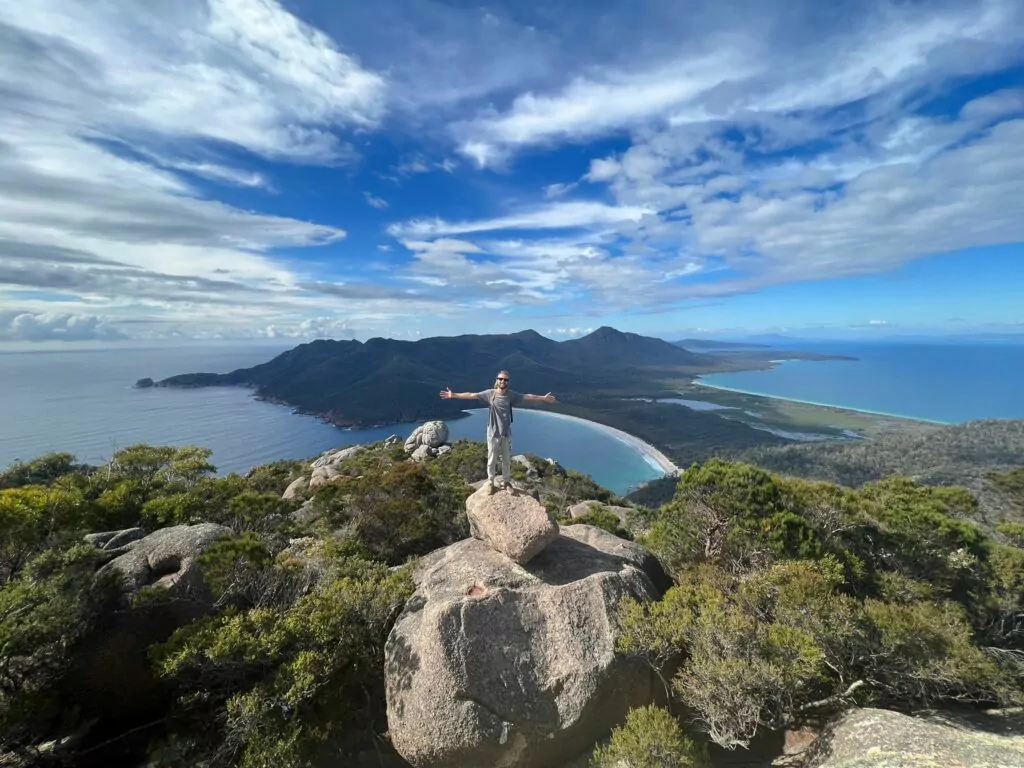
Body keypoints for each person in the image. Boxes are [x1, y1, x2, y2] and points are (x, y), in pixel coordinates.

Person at [440, 371, 556, 494]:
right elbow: (472, 395)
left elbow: (528, 396)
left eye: (505, 380)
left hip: (506, 434)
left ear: (508, 382)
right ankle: (490, 482)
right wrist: (454, 395)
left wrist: (543, 398)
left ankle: (506, 482)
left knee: (506, 460)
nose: (503, 381)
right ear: (497, 380)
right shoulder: (490, 394)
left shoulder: (511, 395)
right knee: (492, 460)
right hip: (493, 433)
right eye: (500, 379)